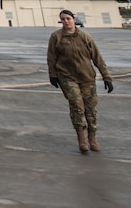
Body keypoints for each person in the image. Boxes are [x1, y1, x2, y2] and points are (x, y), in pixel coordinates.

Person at [47, 9, 113, 153]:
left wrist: (107, 77)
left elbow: (97, 58)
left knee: (90, 109)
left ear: (73, 20)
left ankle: (93, 138)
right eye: (63, 19)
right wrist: (52, 74)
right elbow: (51, 58)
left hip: (87, 78)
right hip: (67, 77)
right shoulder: (56, 37)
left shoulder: (85, 37)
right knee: (77, 106)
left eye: (68, 19)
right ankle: (81, 139)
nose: (65, 22)